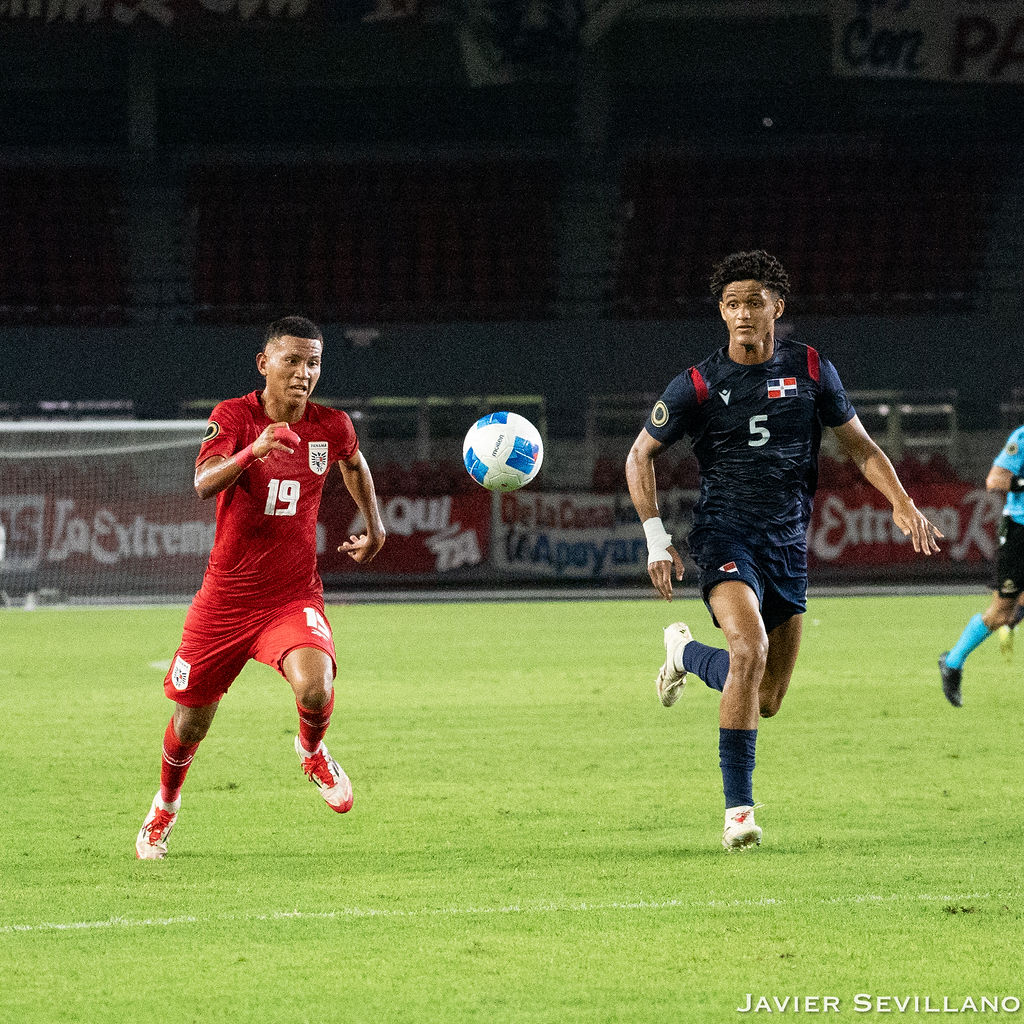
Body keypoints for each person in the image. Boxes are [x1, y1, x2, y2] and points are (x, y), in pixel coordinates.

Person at [625, 250, 943, 852]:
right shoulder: (697, 382)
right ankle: (738, 813)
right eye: (731, 304)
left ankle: (686, 653)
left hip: (787, 544)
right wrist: (657, 539)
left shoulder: (814, 370)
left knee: (764, 697)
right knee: (751, 647)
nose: (743, 313)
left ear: (777, 306)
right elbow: (638, 455)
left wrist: (901, 502)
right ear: (721, 313)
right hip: (725, 536)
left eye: (754, 301)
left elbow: (862, 448)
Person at [136, 315, 386, 859]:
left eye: (313, 363)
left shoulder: (331, 424)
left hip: (291, 595)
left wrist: (375, 521)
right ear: (264, 364)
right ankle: (165, 806)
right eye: (292, 360)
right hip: (225, 601)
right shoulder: (233, 417)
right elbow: (203, 483)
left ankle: (311, 751)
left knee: (315, 687)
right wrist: (255, 450)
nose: (303, 373)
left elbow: (353, 461)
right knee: (191, 721)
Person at [939, 426, 1024, 706]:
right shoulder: (1021, 438)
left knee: (1012, 613)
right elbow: (995, 481)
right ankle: (952, 662)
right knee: (1001, 614)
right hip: (1018, 535)